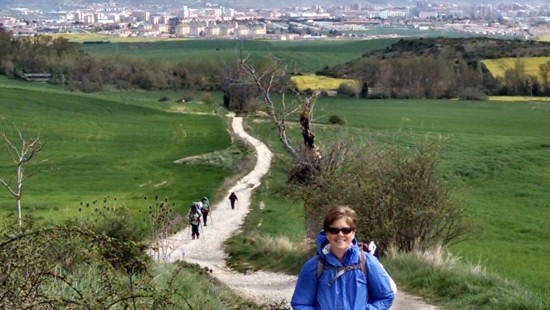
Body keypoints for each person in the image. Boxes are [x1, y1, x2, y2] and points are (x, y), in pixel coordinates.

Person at [291, 205, 395, 310]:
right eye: (334, 230)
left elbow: (385, 297)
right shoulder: (314, 267)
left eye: (346, 230)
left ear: (353, 232)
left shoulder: (367, 263)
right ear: (327, 234)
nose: (340, 234)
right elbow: (301, 304)